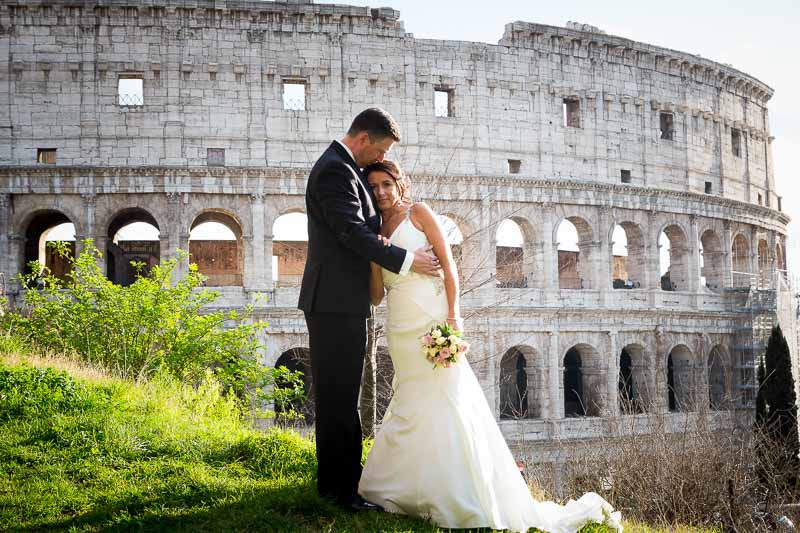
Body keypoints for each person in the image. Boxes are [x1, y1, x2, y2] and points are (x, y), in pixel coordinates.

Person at [358, 160, 623, 533]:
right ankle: (404, 489)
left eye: (386, 184)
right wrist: (379, 256)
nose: (381, 192)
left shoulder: (418, 213)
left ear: (399, 183)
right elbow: (375, 295)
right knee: (409, 400)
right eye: (373, 187)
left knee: (445, 399)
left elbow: (449, 265)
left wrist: (454, 316)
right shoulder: (374, 231)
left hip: (431, 318)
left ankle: (456, 492)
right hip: (400, 324)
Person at [298, 108, 441, 512]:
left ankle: (339, 484)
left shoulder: (346, 168)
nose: (377, 160)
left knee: (341, 396)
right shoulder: (335, 171)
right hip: (333, 302)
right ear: (363, 139)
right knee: (339, 398)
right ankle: (341, 492)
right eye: (377, 150)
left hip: (342, 301)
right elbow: (352, 232)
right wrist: (409, 260)